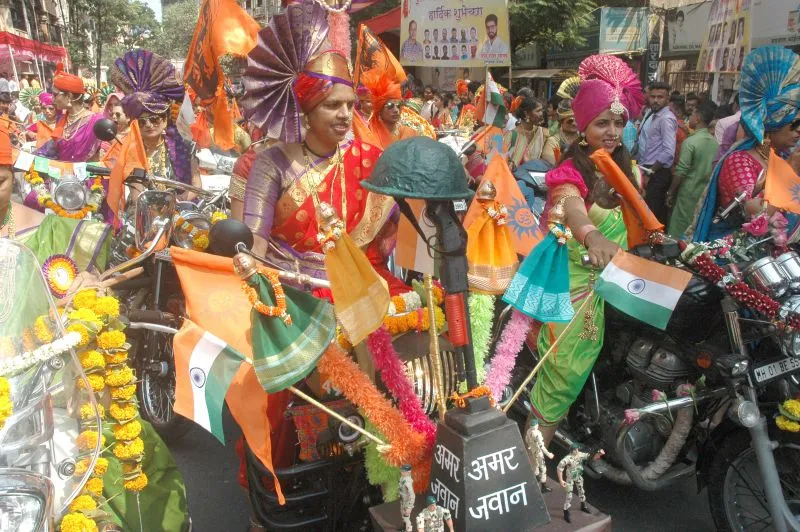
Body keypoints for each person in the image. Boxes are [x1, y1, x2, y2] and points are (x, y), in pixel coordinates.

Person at [0, 121, 191, 531]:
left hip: (40, 392)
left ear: (13, 178)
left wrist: (87, 291)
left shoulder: (50, 231)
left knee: (108, 478)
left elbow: (91, 293)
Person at [519, 54, 646, 446]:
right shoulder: (570, 170)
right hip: (580, 284)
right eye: (602, 123)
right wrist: (592, 236)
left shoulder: (631, 168)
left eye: (619, 122)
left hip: (623, 278)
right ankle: (531, 461)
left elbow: (643, 223)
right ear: (583, 124)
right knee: (565, 373)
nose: (612, 131)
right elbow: (572, 206)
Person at [240, 46, 400, 290]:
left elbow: (400, 224)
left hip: (356, 289)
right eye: (333, 105)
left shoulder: (368, 159)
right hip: (291, 294)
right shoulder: (271, 163)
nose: (346, 115)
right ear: (307, 111)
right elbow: (255, 244)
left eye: (350, 104)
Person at [692, 46, 800, 242]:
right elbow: (754, 216)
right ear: (773, 123)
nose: (799, 131)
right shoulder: (740, 161)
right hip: (736, 263)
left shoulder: (783, 157)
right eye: (794, 125)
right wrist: (789, 173)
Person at [109, 50, 194, 185]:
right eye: (142, 122)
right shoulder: (131, 150)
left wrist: (180, 199)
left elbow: (196, 185)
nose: (148, 125)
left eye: (154, 119)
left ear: (165, 120)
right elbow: (134, 188)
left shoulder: (184, 148)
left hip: (178, 204)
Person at [666, 102, 719, 237]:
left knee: (679, 225)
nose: (690, 118)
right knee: (694, 224)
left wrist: (671, 192)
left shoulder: (691, 142)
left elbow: (681, 170)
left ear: (698, 118)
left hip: (688, 189)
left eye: (692, 114)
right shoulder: (714, 142)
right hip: (704, 190)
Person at [37, 65, 105, 162]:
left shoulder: (96, 121)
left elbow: (110, 152)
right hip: (61, 174)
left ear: (69, 96)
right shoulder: (61, 120)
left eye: (55, 95)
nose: (52, 99)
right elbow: (50, 150)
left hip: (88, 175)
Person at [637, 81, 677, 223]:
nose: (655, 100)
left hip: (657, 171)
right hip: (649, 168)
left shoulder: (666, 119)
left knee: (654, 213)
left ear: (667, 99)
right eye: (653, 96)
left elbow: (668, 151)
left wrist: (650, 172)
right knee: (649, 210)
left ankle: (657, 243)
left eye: (660, 97)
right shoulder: (654, 115)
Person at [363, 70, 417, 149]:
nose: (396, 110)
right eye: (390, 105)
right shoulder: (370, 134)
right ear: (379, 110)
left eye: (398, 105)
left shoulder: (409, 133)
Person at [557, 444, 604, 523]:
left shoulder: (580, 454)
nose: (577, 451)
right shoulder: (567, 459)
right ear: (572, 450)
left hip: (578, 475)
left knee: (581, 491)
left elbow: (592, 457)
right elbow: (559, 468)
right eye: (575, 449)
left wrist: (599, 454)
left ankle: (583, 506)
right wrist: (561, 480)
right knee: (569, 495)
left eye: (577, 449)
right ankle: (566, 511)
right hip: (570, 478)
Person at [504, 96, 549, 170]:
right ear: (526, 113)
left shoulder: (544, 133)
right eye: (538, 111)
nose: (541, 114)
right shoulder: (511, 135)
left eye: (542, 110)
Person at [542, 99, 578, 166]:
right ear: (561, 122)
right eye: (570, 121)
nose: (574, 123)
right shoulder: (553, 142)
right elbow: (550, 166)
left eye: (577, 120)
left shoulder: (585, 139)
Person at [525, 417, 554, 495]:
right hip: (538, 451)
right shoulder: (537, 433)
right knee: (543, 469)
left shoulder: (529, 431)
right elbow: (541, 446)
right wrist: (549, 454)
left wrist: (530, 445)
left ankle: (536, 478)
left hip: (533, 450)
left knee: (537, 465)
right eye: (537, 424)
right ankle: (543, 487)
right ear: (536, 425)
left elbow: (527, 439)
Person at [399, 464, 415, 532]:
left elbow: (412, 495)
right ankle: (404, 528)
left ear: (408, 472)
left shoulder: (408, 481)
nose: (401, 472)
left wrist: (409, 507)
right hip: (403, 501)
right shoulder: (403, 478)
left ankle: (408, 529)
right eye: (402, 470)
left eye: (403, 471)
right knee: (403, 516)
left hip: (407, 503)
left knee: (406, 518)